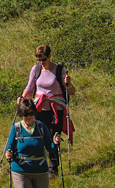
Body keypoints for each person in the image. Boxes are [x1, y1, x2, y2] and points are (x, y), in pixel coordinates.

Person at [17, 44, 74, 176]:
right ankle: (36, 165)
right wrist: (22, 97)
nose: (42, 62)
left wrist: (69, 83)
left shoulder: (59, 69)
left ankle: (52, 169)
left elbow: (71, 92)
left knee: (54, 136)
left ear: (49, 56)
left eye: (44, 59)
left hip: (56, 110)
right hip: (39, 108)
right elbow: (30, 87)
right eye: (39, 60)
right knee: (37, 136)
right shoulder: (36, 69)